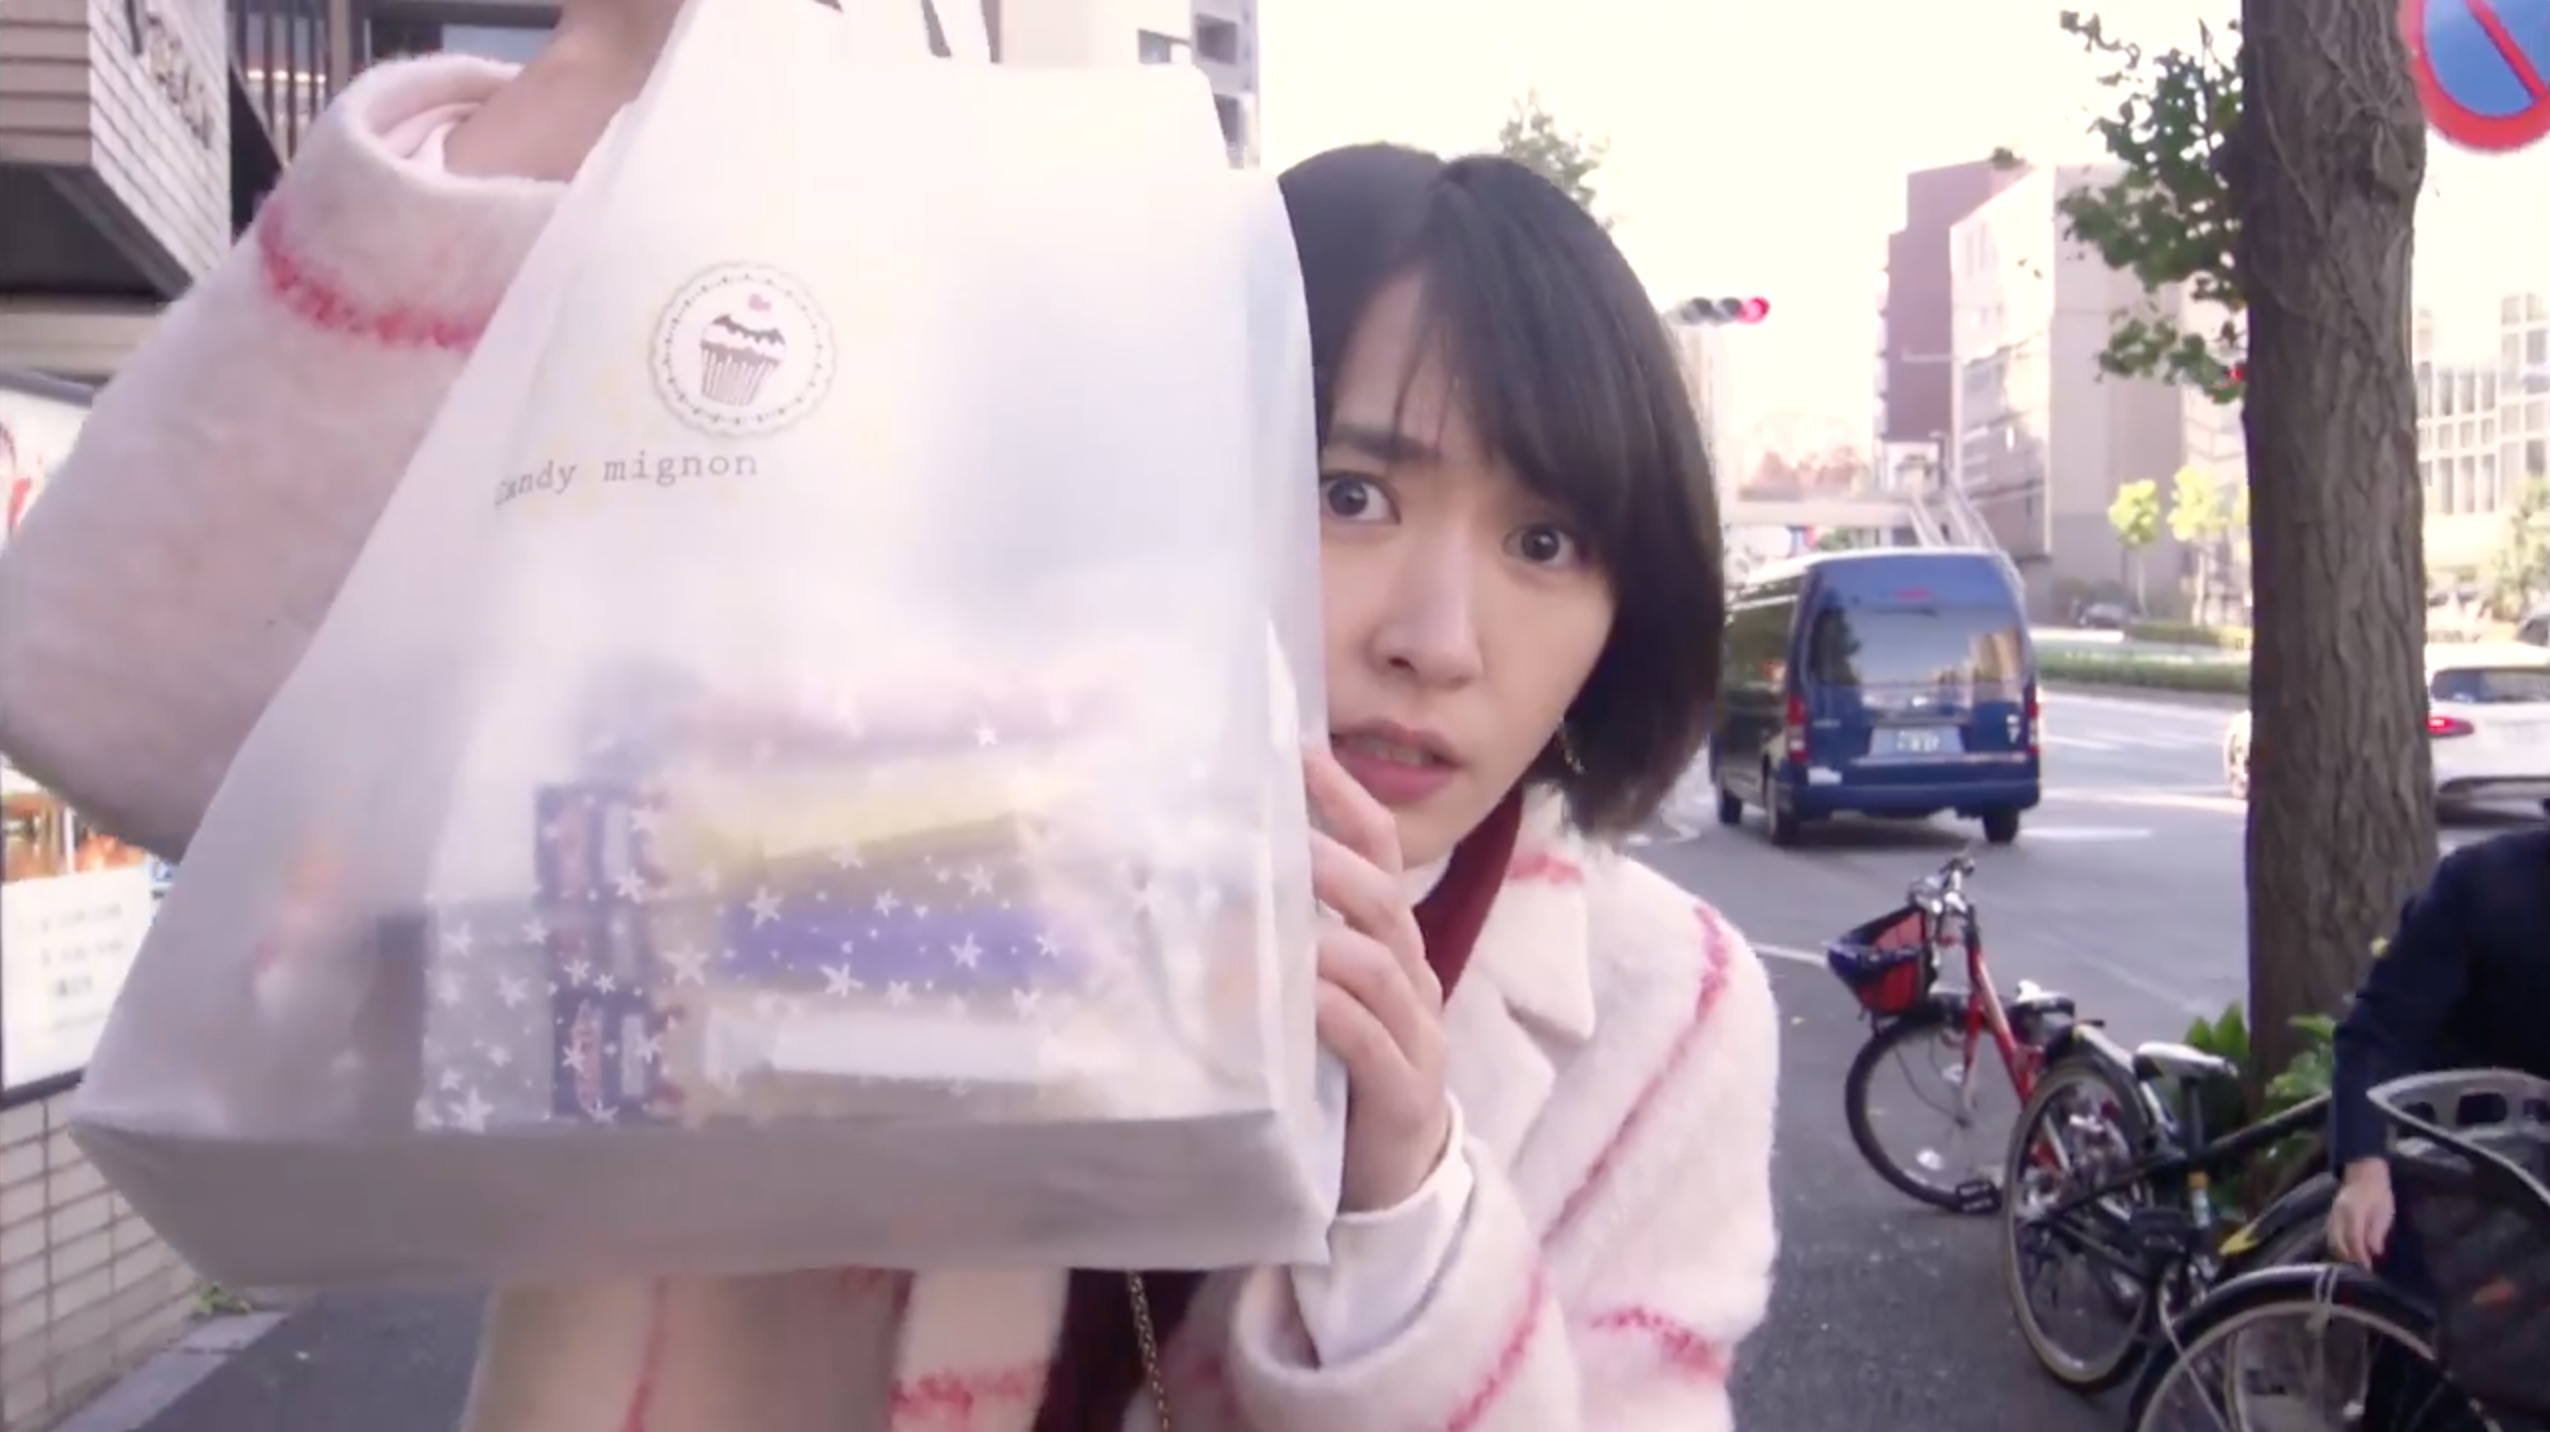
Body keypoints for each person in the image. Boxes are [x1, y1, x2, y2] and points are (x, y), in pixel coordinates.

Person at [0, 2, 1777, 1429]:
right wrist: (606, 67)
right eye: (1351, 492)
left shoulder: (1665, 1014)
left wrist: (1406, 1209)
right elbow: (124, 705)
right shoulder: (816, 784)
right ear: (1177, 452)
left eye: (1546, 542)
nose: (1441, 640)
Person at [2329, 827, 2550, 1430]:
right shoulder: (2487, 884)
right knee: (2437, 1397)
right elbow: (2379, 1033)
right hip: (2465, 1193)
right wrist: (2364, 1168)